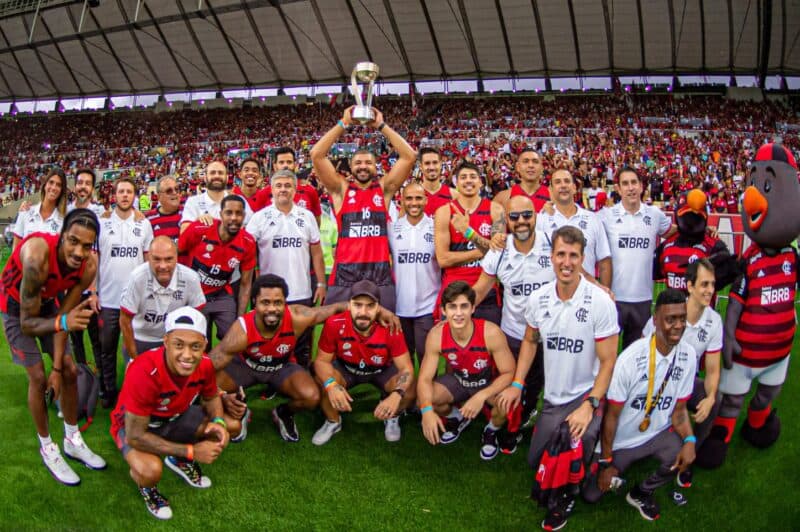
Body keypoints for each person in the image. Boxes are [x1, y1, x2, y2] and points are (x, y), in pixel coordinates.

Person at [495, 226, 619, 531]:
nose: (567, 262)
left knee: (569, 458)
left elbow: (608, 362)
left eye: (573, 255)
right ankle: (577, 452)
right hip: (553, 399)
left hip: (586, 395)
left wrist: (590, 404)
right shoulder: (538, 299)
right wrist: (518, 383)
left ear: (582, 258)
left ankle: (571, 490)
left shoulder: (600, 302)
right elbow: (530, 341)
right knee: (536, 460)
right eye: (561, 254)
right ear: (551, 257)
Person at [0, 208, 106, 485]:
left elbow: (63, 316)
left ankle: (72, 438)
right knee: (37, 376)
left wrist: (57, 369)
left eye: (87, 246)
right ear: (61, 236)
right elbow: (27, 324)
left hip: (47, 303)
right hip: (16, 307)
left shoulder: (89, 266)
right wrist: (63, 322)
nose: (79, 252)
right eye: (73, 241)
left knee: (69, 369)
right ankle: (47, 447)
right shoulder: (37, 257)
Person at [209, 274, 378, 443]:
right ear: (255, 302)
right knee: (209, 390)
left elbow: (337, 308)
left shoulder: (297, 316)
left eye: (278, 302)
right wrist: (222, 394)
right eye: (265, 302)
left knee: (311, 396)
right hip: (246, 367)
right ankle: (240, 411)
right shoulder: (242, 329)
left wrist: (380, 311)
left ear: (285, 302)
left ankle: (283, 412)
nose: (272, 309)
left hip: (281, 367)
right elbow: (207, 366)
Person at [110, 307, 239, 520]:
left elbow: (210, 397)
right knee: (150, 471)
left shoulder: (205, 364)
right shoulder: (144, 371)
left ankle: (177, 460)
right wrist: (191, 451)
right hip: (134, 427)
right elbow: (135, 436)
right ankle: (148, 487)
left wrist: (218, 421)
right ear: (166, 341)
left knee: (231, 426)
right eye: (179, 345)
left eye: (195, 346)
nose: (187, 355)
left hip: (174, 417)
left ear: (205, 345)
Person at [584, 289, 697, 523]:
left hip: (655, 435)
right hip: (621, 442)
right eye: (670, 319)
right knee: (591, 495)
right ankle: (612, 464)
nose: (678, 326)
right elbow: (611, 416)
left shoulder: (688, 356)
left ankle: (642, 492)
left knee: (679, 454)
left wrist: (690, 440)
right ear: (655, 320)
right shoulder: (631, 359)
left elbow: (679, 412)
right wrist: (606, 462)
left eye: (682, 318)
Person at [310, 106, 416, 310]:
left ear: (376, 166)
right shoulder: (341, 190)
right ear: (351, 167)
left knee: (385, 327)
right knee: (338, 328)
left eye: (368, 162)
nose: (363, 166)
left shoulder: (384, 190)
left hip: (379, 275)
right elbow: (316, 155)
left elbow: (409, 156)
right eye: (358, 162)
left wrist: (381, 125)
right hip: (345, 275)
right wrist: (343, 123)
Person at [472, 195, 553, 453]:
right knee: (508, 388)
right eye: (514, 217)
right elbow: (481, 288)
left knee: (535, 387)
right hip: (514, 335)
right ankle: (494, 428)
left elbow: (575, 274)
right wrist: (458, 310)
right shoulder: (499, 249)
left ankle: (520, 424)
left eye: (527, 215)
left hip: (550, 336)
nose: (521, 221)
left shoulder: (553, 242)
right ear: (507, 219)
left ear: (535, 216)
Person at [642, 258, 722, 487]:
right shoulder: (669, 312)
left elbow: (713, 369)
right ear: (689, 286)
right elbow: (642, 353)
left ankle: (690, 455)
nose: (710, 291)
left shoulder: (714, 321)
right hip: (656, 379)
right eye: (704, 284)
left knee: (715, 400)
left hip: (686, 382)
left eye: (712, 284)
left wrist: (710, 397)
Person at [417, 281, 515, 460]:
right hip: (459, 381)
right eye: (452, 307)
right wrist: (426, 410)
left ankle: (491, 430)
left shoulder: (490, 332)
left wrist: (481, 396)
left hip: (487, 382)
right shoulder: (436, 335)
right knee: (426, 398)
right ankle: (458, 417)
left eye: (464, 306)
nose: (458, 313)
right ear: (444, 310)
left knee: (506, 402)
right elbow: (424, 379)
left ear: (473, 308)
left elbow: (509, 372)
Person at [312, 280, 415, 445]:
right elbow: (321, 361)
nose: (363, 312)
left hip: (381, 371)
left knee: (408, 390)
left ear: (378, 307)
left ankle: (392, 415)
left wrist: (397, 394)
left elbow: (406, 368)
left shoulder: (391, 326)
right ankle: (333, 421)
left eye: (370, 306)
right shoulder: (334, 323)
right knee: (322, 381)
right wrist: (331, 385)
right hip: (347, 369)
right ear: (349, 305)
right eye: (357, 305)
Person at [245, 170, 326, 366]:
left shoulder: (307, 216)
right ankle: (271, 376)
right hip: (270, 294)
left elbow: (316, 253)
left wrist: (321, 284)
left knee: (301, 345)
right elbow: (247, 251)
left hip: (302, 291)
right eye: (279, 186)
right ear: (271, 190)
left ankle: (302, 374)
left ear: (295, 190)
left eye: (288, 186)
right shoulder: (259, 218)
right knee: (270, 342)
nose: (283, 189)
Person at [600, 167, 673, 349]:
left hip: (643, 299)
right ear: (618, 189)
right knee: (606, 355)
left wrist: (705, 229)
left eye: (634, 182)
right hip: (613, 298)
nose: (630, 188)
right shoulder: (606, 216)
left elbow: (674, 232)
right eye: (625, 184)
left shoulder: (654, 215)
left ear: (641, 186)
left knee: (635, 356)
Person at [96, 177, 154, 408]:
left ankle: (135, 390)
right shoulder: (102, 222)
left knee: (135, 348)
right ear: (115, 195)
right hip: (109, 299)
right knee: (107, 349)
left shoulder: (144, 223)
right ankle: (109, 390)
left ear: (134, 196)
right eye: (121, 191)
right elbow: (95, 260)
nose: (125, 195)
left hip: (136, 300)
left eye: (129, 192)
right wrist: (93, 291)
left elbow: (148, 259)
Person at [434, 162, 506, 323]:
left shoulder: (495, 209)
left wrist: (468, 232)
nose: (468, 180)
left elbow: (499, 252)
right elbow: (443, 259)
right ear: (456, 182)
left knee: (489, 337)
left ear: (480, 182)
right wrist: (485, 250)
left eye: (473, 177)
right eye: (463, 177)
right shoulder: (444, 212)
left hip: (487, 289)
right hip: (454, 290)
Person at [178, 195, 256, 343]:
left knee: (233, 339)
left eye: (238, 213)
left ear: (244, 216)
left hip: (222, 294)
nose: (234, 218)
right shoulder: (199, 228)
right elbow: (177, 252)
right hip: (196, 295)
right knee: (199, 340)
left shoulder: (248, 242)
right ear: (220, 214)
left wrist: (240, 318)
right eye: (229, 213)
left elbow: (246, 284)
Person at [119, 236, 206, 357]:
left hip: (174, 338)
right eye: (157, 259)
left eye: (169, 259)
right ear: (149, 257)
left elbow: (197, 317)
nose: (163, 266)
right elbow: (125, 320)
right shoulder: (137, 278)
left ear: (177, 257)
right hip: (141, 338)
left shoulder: (191, 278)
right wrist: (134, 358)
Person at [388, 182, 440, 364]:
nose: (414, 203)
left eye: (418, 198)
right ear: (402, 201)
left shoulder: (436, 227)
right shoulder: (392, 229)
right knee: (403, 362)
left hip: (427, 307)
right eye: (409, 198)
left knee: (427, 359)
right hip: (400, 308)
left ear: (426, 200)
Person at [536, 169, 612, 287]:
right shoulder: (540, 220)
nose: (563, 185)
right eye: (557, 182)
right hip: (551, 295)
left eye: (567, 181)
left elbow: (604, 261)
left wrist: (604, 292)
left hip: (586, 293)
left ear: (574, 188)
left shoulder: (593, 219)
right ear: (550, 190)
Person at [66, 168, 105, 366]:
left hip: (91, 289)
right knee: (75, 338)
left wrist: (93, 290)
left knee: (96, 338)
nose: (83, 187)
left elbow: (96, 253)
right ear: (75, 186)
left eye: (87, 183)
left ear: (92, 188)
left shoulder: (100, 213)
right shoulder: (65, 212)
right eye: (80, 182)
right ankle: (82, 375)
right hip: (69, 288)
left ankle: (101, 380)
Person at [179, 160, 253, 233]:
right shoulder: (193, 201)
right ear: (205, 178)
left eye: (220, 173)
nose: (217, 176)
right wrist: (197, 223)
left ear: (227, 178)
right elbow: (183, 231)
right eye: (212, 173)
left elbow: (252, 230)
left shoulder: (239, 201)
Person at [254, 147, 322, 225]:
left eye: (289, 162)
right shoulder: (263, 194)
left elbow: (316, 224)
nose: (285, 165)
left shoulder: (310, 191)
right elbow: (258, 224)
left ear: (295, 165)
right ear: (275, 166)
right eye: (281, 162)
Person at [12, 168, 68, 249]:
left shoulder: (64, 221)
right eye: (51, 182)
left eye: (58, 185)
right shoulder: (26, 212)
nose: (53, 187)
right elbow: (15, 248)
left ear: (62, 190)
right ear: (45, 185)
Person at [492, 148, 550, 212]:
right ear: (518, 167)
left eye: (535, 162)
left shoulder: (554, 197)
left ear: (542, 168)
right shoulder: (501, 198)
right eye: (525, 161)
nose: (531, 165)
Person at [418, 147, 458, 216]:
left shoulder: (454, 195)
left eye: (435, 162)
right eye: (427, 163)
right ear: (420, 166)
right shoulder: (411, 195)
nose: (432, 167)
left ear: (440, 164)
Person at [146, 175, 183, 242]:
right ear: (159, 197)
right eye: (169, 191)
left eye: (176, 189)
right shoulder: (148, 219)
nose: (174, 192)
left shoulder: (189, 213)